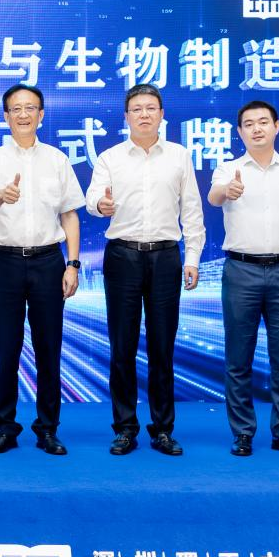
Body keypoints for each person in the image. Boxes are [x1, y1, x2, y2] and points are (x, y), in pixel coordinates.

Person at [86, 85, 204, 456]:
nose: (144, 115)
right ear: (126, 117)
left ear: (161, 114)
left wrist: (192, 258)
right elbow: (91, 199)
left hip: (166, 257)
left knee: (161, 347)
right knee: (122, 346)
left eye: (151, 108)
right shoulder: (110, 157)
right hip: (123, 256)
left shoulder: (179, 156)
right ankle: (124, 428)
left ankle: (163, 429)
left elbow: (192, 210)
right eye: (136, 109)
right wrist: (101, 205)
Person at [208, 100, 279, 457]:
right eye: (248, 124)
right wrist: (227, 191)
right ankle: (242, 432)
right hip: (240, 270)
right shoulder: (228, 169)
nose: (256, 128)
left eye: (262, 122)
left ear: (276, 126)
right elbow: (213, 197)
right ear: (239, 132)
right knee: (238, 358)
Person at [0, 84, 84, 455]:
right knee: (6, 349)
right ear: (6, 116)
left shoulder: (57, 160)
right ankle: (5, 428)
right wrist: (1, 195)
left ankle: (48, 428)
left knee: (48, 348)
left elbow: (69, 214)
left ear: (41, 115)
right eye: (16, 109)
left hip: (48, 262)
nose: (23, 114)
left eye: (30, 108)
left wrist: (72, 264)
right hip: (4, 263)